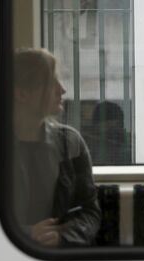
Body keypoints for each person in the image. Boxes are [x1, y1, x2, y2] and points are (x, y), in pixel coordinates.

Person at [12, 48, 101, 247]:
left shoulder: (70, 142)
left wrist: (63, 237)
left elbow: (90, 211)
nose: (62, 89)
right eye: (51, 82)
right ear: (22, 94)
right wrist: (25, 234)